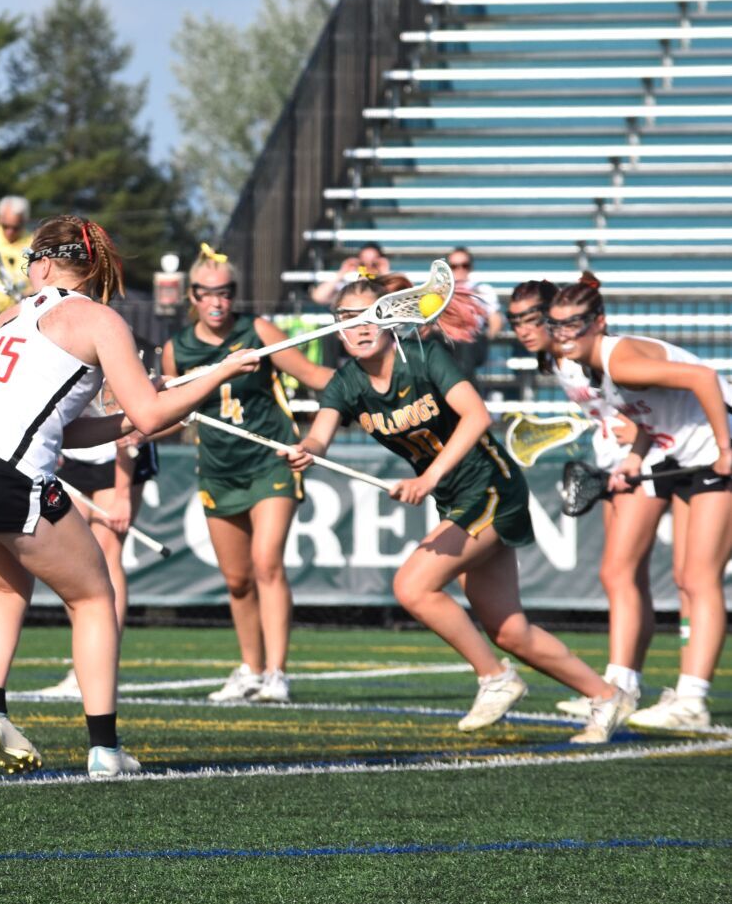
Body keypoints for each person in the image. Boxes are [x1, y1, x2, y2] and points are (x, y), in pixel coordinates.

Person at [0, 214, 260, 778]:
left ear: (46, 263)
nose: (26, 270)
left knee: (6, 585)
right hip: (6, 468)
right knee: (95, 597)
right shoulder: (99, 320)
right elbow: (153, 415)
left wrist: (123, 419)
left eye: (29, 260)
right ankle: (104, 749)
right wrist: (218, 375)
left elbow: (76, 426)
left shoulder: (6, 318)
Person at [284, 274, 634, 744]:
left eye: (371, 316)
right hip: (455, 500)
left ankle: (495, 678)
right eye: (349, 320)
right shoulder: (346, 383)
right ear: (337, 330)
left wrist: (428, 478)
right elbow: (319, 435)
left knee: (412, 587)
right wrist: (305, 449)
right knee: (510, 631)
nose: (361, 327)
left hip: (490, 486)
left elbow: (477, 417)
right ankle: (607, 696)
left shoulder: (424, 357)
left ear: (390, 319)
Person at [544, 273, 732, 731]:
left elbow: (704, 378)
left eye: (575, 324)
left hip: (713, 454)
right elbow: (654, 414)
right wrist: (634, 457)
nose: (563, 335)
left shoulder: (619, 361)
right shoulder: (594, 368)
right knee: (685, 576)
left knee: (700, 577)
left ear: (599, 323)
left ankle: (692, 701)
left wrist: (726, 449)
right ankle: (686, 695)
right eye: (557, 326)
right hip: (685, 457)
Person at [161, 243, 332, 705]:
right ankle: (251, 669)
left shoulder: (256, 330)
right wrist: (136, 432)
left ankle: (277, 673)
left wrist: (373, 378)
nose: (217, 302)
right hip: (218, 470)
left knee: (266, 563)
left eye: (225, 292)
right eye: (207, 293)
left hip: (269, 462)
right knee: (237, 580)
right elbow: (174, 414)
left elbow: (315, 376)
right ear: (191, 296)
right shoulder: (177, 349)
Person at [508, 280, 663, 716]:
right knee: (630, 577)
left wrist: (640, 436)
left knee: (619, 572)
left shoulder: (591, 355)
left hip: (648, 458)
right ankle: (626, 684)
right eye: (514, 319)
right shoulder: (555, 359)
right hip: (616, 461)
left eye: (531, 318)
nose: (523, 328)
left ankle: (618, 688)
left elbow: (660, 387)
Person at [38, 387, 160, 699]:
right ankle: (84, 662)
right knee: (74, 562)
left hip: (118, 458)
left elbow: (126, 425)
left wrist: (122, 496)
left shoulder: (104, 344)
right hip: (76, 456)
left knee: (106, 554)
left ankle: (103, 663)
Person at [445, 247, 503, 382]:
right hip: (445, 340)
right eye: (454, 266)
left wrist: (486, 336)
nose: (460, 270)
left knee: (466, 344)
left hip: (471, 342)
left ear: (470, 267)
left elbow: (495, 319)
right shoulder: (438, 292)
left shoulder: (482, 290)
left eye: (464, 265)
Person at [309, 241, 391, 308]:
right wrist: (342, 272)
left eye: (374, 263)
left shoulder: (384, 285)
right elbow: (319, 297)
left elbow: (397, 301)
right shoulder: (348, 284)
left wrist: (385, 273)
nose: (368, 265)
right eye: (363, 263)